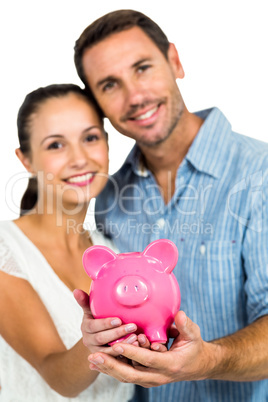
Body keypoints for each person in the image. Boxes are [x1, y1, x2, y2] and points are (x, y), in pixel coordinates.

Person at [73, 9, 268, 402]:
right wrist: (102, 332)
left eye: (142, 68)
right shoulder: (108, 197)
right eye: (110, 85)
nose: (135, 96)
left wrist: (209, 359)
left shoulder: (260, 174)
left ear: (175, 61)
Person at [0, 83, 139, 401]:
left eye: (90, 138)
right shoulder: (5, 249)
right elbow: (58, 376)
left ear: (106, 143)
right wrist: (95, 343)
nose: (79, 159)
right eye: (55, 145)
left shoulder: (114, 254)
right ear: (26, 160)